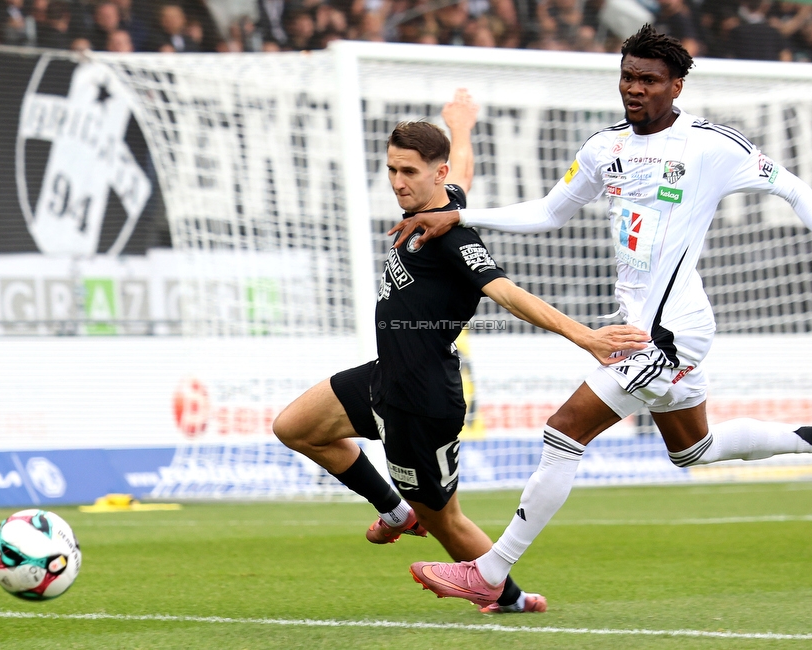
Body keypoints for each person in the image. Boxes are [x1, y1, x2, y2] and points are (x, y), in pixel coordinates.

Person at [395, 25, 812, 608]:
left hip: (669, 331)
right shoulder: (604, 148)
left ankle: (492, 571)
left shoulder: (711, 146)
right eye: (627, 77)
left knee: (564, 429)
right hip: (638, 320)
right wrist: (465, 218)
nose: (634, 89)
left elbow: (797, 190)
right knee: (694, 450)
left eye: (649, 80)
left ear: (676, 86)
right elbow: (551, 212)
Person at [272, 89, 649, 614]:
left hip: (421, 401)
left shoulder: (453, 239)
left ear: (433, 172)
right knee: (293, 428)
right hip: (385, 378)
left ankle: (511, 599)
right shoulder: (442, 205)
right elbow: (463, 177)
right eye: (391, 170)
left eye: (408, 171)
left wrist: (585, 337)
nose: (398, 182)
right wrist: (461, 125)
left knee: (447, 519)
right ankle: (397, 510)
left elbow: (505, 292)